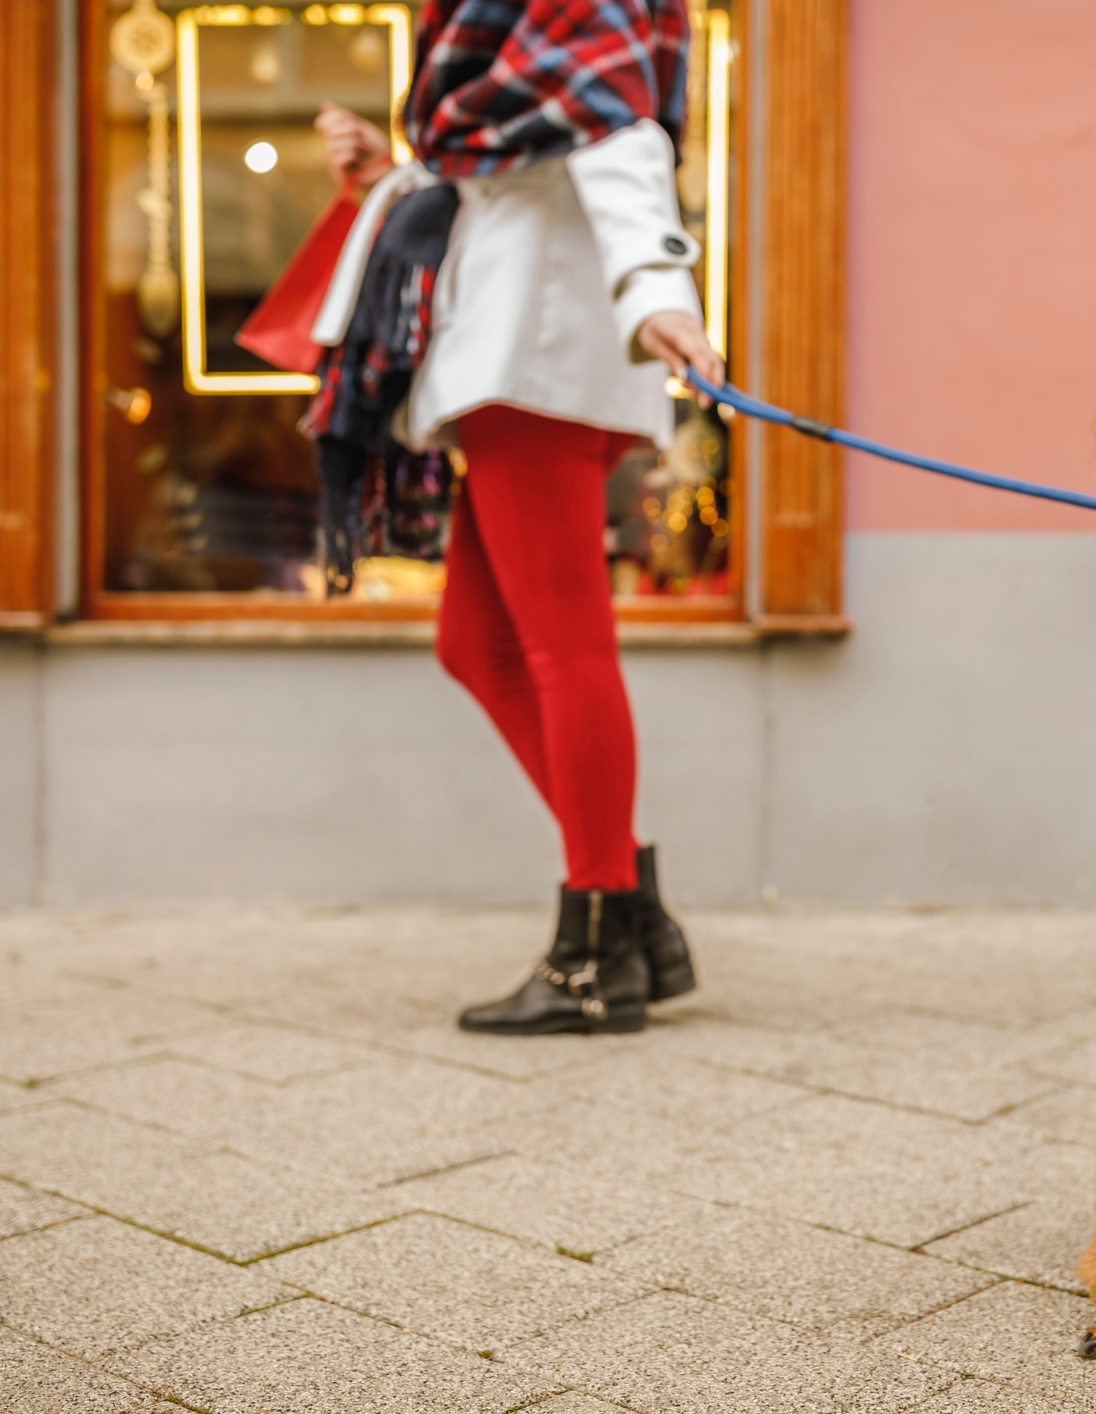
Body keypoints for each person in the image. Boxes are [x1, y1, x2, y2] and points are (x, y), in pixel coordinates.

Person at [314, 0, 722, 1036]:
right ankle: (628, 910)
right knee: (475, 643)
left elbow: (627, 141)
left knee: (561, 649)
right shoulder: (506, 85)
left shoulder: (582, 28)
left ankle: (596, 951)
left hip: (531, 368)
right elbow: (510, 188)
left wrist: (660, 295)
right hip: (520, 365)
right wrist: (388, 173)